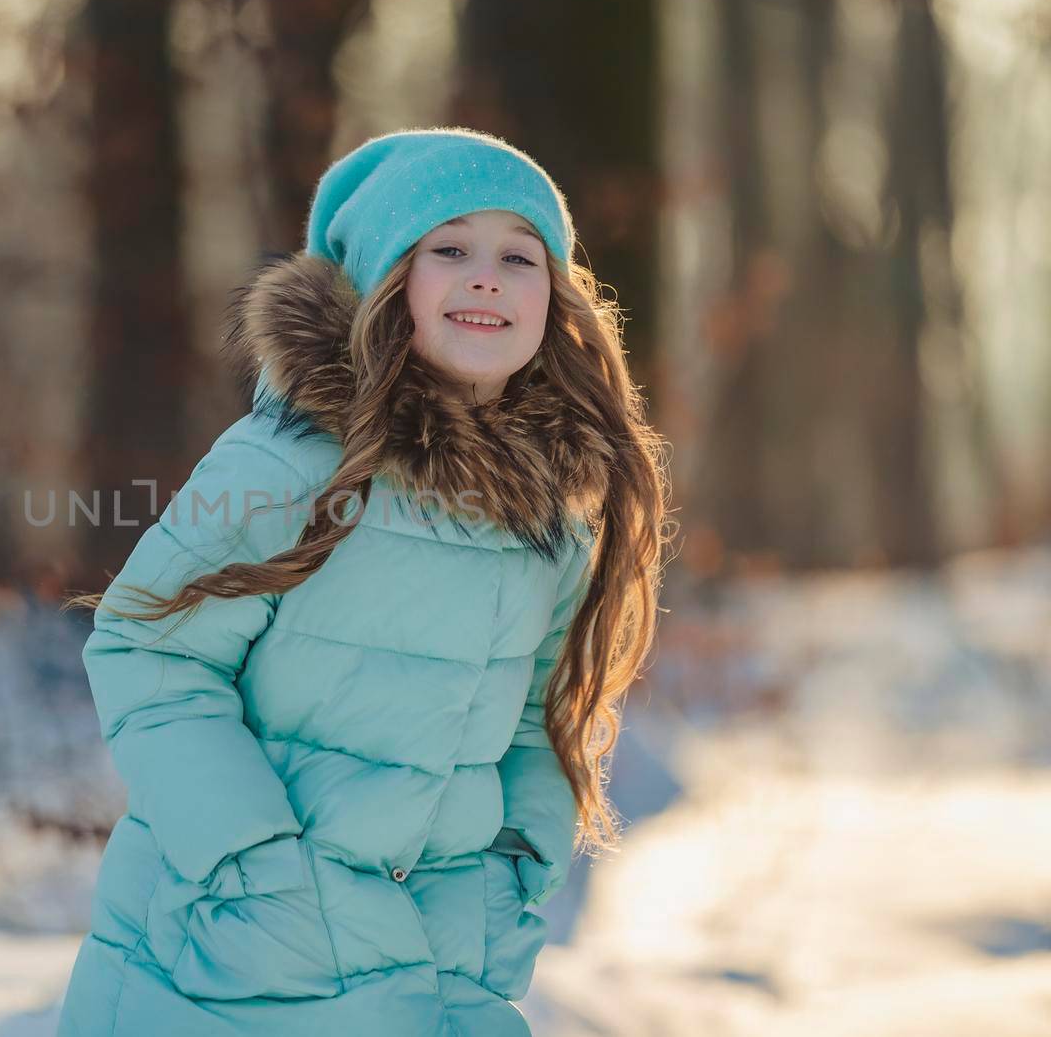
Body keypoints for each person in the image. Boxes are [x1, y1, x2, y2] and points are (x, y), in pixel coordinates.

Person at [56, 126, 672, 1036]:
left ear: (558, 298)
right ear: (386, 282)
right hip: (224, 967)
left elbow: (538, 724)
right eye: (449, 249)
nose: (487, 276)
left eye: (520, 255)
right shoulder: (290, 464)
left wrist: (512, 876)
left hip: (436, 971)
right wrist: (250, 874)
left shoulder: (550, 524)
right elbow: (148, 650)